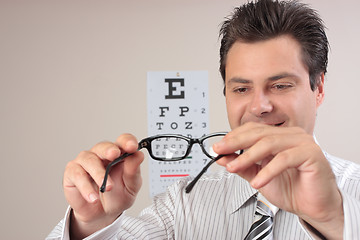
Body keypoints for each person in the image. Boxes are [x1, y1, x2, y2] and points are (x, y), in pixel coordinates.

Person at [47, 0, 360, 239]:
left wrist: (333, 218)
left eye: (280, 85)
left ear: (318, 88)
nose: (259, 106)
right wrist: (91, 222)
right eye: (241, 88)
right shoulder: (185, 202)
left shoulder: (354, 191)